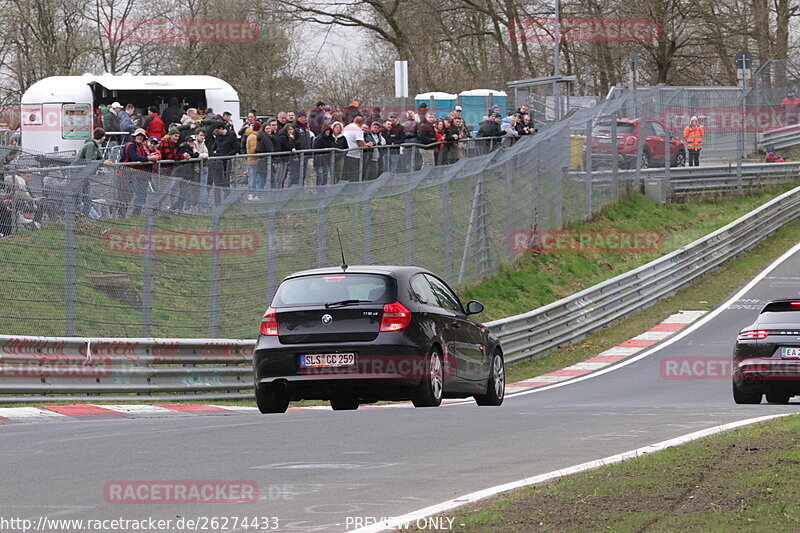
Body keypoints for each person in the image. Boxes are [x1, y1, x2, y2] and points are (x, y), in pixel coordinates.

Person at [117, 128, 158, 218]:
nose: (140, 137)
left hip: (131, 173)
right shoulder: (131, 145)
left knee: (128, 195)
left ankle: (123, 216)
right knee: (124, 196)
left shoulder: (139, 146)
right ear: (135, 136)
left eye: (142, 136)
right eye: (138, 135)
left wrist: (148, 157)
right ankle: (120, 216)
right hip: (125, 172)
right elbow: (134, 157)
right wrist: (148, 158)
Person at [73, 128, 112, 218]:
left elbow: (99, 158)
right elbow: (89, 160)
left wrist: (105, 161)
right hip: (78, 174)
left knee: (87, 198)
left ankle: (88, 218)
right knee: (79, 198)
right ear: (102, 137)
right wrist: (103, 163)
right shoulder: (90, 145)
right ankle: (81, 218)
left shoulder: (95, 146)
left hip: (84, 175)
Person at [342, 116, 369, 182]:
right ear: (361, 123)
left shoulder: (346, 127)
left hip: (345, 153)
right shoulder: (358, 129)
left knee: (346, 175)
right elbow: (360, 143)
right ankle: (354, 189)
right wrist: (367, 145)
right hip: (354, 155)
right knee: (354, 175)